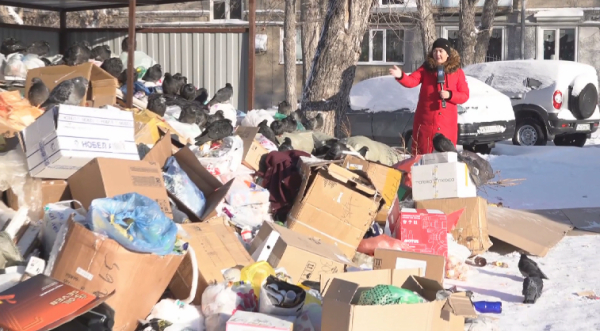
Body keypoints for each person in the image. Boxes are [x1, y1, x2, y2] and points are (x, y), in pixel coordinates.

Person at [389, 38, 470, 155]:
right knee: (424, 157)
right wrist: (401, 76)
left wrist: (450, 95)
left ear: (447, 54)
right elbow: (411, 81)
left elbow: (464, 95)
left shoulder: (457, 72)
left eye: (440, 51)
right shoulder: (426, 69)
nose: (437, 54)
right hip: (425, 124)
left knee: (445, 158)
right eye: (435, 51)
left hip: (447, 126)